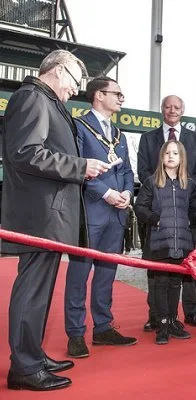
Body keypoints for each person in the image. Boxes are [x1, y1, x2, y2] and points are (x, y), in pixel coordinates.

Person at [3, 49, 110, 391]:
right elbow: (26, 153)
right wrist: (81, 167)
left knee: (40, 290)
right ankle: (24, 366)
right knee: (32, 291)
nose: (74, 91)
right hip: (40, 216)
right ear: (60, 70)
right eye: (75, 82)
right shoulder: (32, 98)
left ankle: (31, 354)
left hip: (48, 215)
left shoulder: (45, 100)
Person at [65, 77, 137, 358]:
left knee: (107, 273)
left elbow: (128, 172)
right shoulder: (79, 127)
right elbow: (76, 168)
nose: (121, 98)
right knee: (79, 275)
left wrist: (127, 193)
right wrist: (106, 193)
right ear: (98, 95)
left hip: (116, 214)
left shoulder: (118, 133)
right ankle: (75, 333)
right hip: (90, 211)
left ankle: (103, 327)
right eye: (117, 93)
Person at [137, 95, 196, 331]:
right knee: (157, 270)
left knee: (186, 268)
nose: (172, 110)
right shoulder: (148, 139)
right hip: (158, 214)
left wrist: (185, 189)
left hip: (185, 212)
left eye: (177, 107)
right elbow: (145, 170)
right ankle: (156, 315)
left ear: (183, 110)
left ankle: (190, 312)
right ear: (161, 110)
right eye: (168, 106)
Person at [134, 141, 196, 344]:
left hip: (181, 243)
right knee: (160, 283)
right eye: (167, 153)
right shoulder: (151, 182)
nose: (171, 156)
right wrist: (157, 220)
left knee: (175, 283)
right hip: (159, 242)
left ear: (182, 158)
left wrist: (190, 225)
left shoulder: (189, 184)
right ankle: (162, 323)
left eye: (175, 153)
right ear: (161, 157)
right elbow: (140, 207)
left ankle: (173, 320)